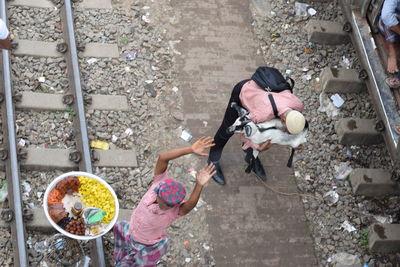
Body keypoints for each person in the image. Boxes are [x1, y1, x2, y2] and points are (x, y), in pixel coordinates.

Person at [113, 137, 216, 267]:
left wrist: (199, 184)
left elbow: (189, 205)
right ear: (159, 194)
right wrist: (190, 149)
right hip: (132, 229)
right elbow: (163, 158)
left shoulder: (173, 212)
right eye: (167, 203)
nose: (168, 207)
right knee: (122, 244)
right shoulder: (158, 182)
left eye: (172, 205)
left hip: (146, 244)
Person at [208, 77, 305, 185]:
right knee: (227, 129)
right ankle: (212, 161)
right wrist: (258, 147)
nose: (287, 133)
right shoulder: (262, 115)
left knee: (262, 134)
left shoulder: (298, 106)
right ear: (282, 120)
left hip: (262, 95)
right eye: (287, 131)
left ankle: (250, 158)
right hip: (245, 92)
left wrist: (295, 141)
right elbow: (245, 133)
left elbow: (298, 125)